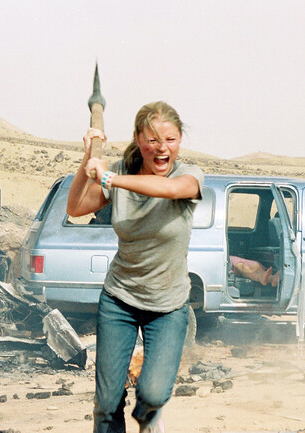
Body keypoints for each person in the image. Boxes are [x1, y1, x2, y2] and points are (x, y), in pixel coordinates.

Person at [66, 101, 203, 433]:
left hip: (168, 306)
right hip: (120, 299)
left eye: (170, 140)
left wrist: (110, 178)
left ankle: (149, 415)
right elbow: (75, 207)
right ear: (138, 140)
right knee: (107, 403)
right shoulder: (119, 171)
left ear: (180, 140)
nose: (161, 148)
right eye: (152, 140)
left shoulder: (188, 176)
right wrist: (87, 160)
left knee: (152, 395)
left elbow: (171, 190)